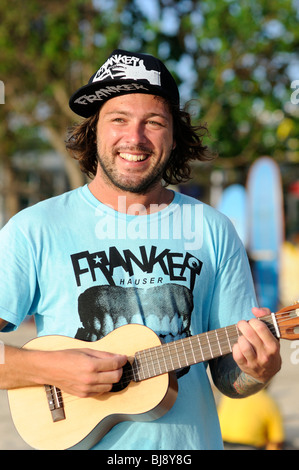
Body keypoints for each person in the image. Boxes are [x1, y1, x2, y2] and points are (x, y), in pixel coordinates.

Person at [0, 50, 281, 450]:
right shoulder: (34, 229)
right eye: (119, 119)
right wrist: (50, 367)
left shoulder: (213, 229)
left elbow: (229, 379)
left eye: (153, 122)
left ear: (173, 135)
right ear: (94, 129)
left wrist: (259, 369)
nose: (135, 138)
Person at [218, 388, 285, 450]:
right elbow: (276, 441)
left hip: (220, 443)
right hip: (247, 446)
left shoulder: (230, 395)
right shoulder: (268, 401)